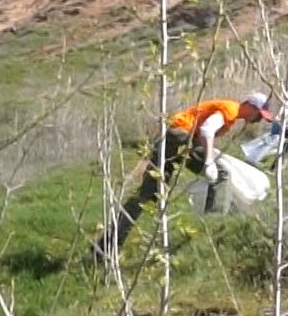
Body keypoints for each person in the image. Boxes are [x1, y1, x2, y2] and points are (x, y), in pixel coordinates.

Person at [93, 91, 274, 260]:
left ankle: (104, 246)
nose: (258, 120)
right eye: (258, 115)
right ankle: (213, 222)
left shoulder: (230, 110)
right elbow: (207, 130)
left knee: (147, 196)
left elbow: (202, 131)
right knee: (221, 175)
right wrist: (209, 161)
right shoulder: (230, 110)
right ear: (250, 106)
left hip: (170, 138)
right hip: (179, 137)